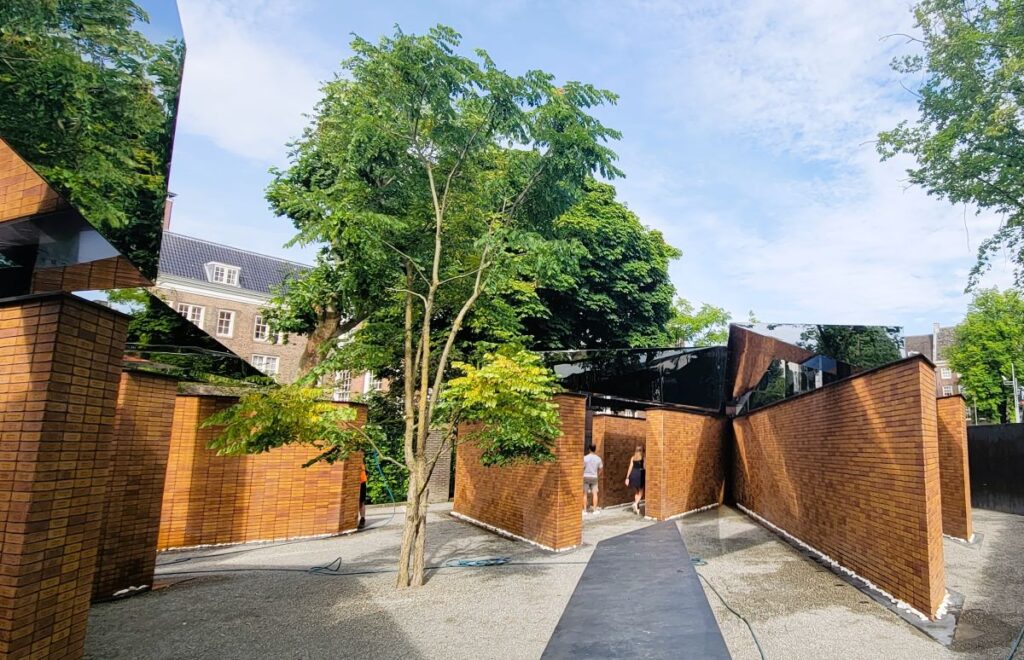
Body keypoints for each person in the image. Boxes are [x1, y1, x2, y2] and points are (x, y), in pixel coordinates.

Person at [583, 444, 603, 514]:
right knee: (595, 494)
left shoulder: (585, 458)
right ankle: (594, 510)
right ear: (595, 449)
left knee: (585, 494)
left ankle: (585, 510)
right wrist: (597, 474)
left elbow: (582, 467)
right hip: (594, 477)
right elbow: (601, 469)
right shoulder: (598, 458)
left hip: (585, 476)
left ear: (589, 449)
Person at [625, 446, 645, 515]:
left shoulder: (633, 458)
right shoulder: (643, 458)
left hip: (633, 474)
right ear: (642, 450)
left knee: (636, 492)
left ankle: (637, 509)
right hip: (640, 474)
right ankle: (635, 503)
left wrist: (627, 477)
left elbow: (630, 467)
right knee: (641, 491)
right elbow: (644, 467)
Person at [358, 464, 368, 529]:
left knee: (361, 501)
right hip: (353, 482)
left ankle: (362, 519)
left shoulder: (360, 458)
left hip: (361, 482)